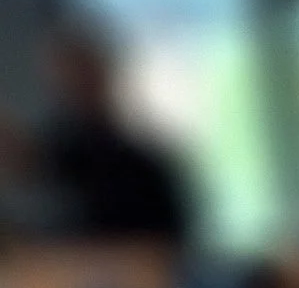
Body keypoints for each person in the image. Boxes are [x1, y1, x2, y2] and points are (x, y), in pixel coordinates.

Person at [9, 27, 188, 241]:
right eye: (67, 74)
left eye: (84, 70)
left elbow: (166, 239)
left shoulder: (142, 162)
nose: (76, 83)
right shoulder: (45, 156)